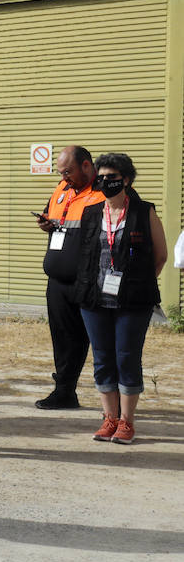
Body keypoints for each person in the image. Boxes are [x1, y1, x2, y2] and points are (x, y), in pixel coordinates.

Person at [72, 153, 166, 446]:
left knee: (126, 357)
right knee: (102, 358)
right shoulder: (91, 213)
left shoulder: (143, 211)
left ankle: (126, 422)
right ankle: (108, 418)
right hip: (94, 299)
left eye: (111, 178)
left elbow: (160, 255)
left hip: (132, 301)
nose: (104, 183)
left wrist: (138, 282)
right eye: (100, 177)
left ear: (126, 179)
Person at [32, 145, 102, 410]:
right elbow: (53, 217)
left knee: (99, 340)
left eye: (68, 171)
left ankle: (115, 398)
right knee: (63, 338)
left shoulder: (103, 192)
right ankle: (64, 391)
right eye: (61, 172)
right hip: (58, 281)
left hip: (89, 282)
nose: (64, 177)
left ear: (86, 165)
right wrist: (45, 224)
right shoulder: (62, 189)